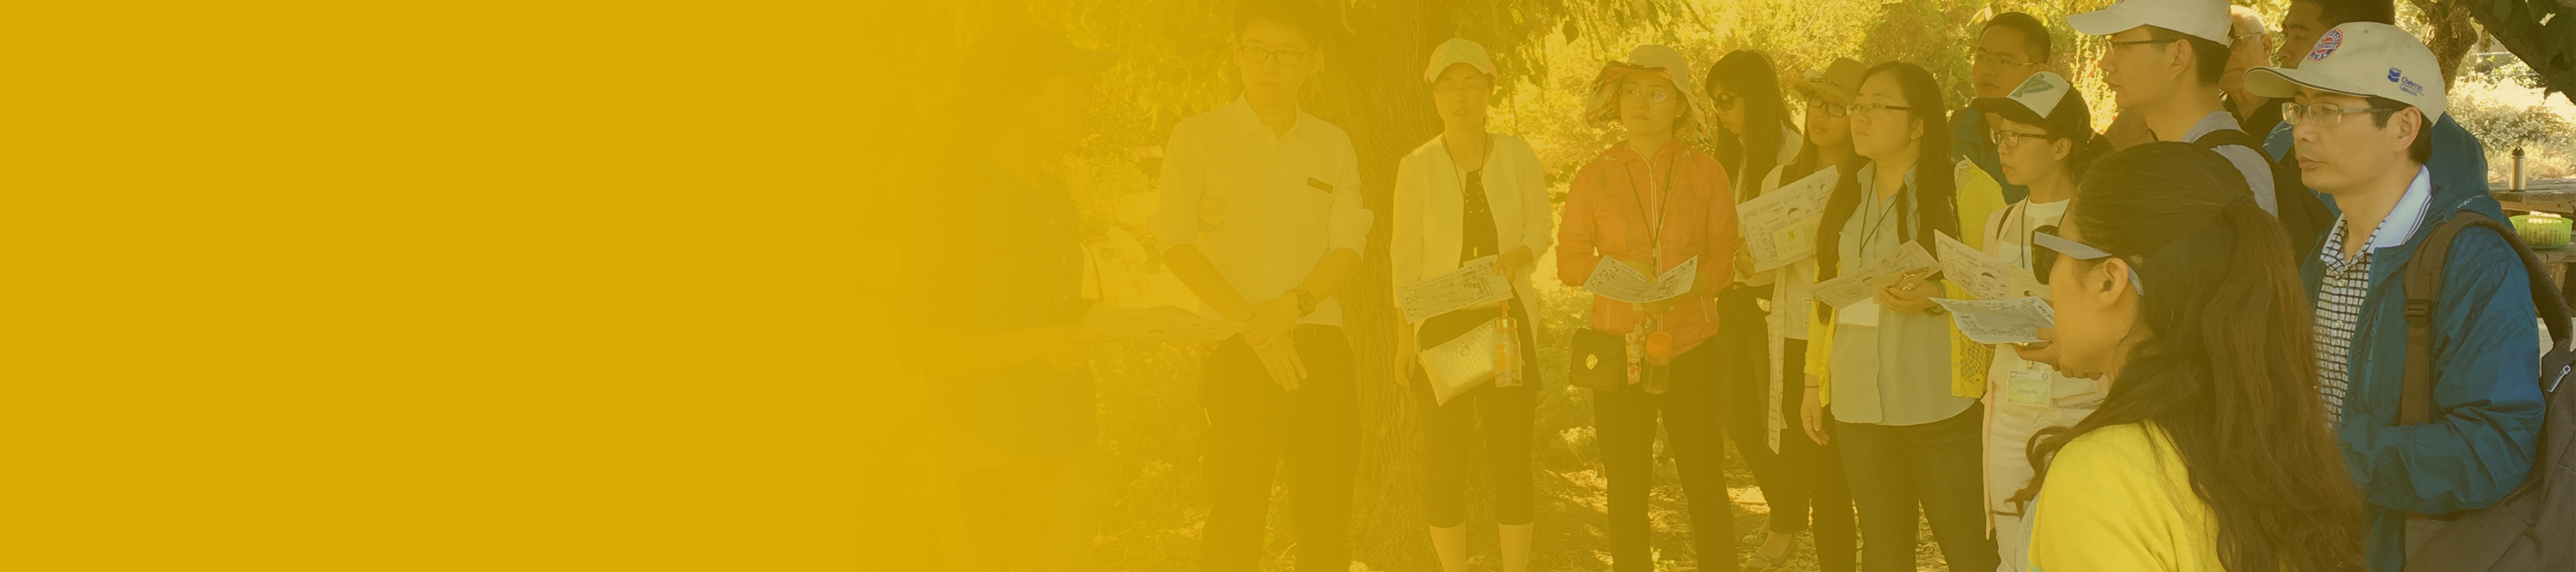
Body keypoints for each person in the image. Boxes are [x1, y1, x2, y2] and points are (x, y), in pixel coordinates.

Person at [2245, 23, 2547, 572]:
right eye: (2299, 108)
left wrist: (2324, 456)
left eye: (2329, 111)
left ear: (2404, 127)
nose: (2301, 131)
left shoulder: (2472, 261)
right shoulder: (2323, 255)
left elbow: (2495, 449)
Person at [2011, 142, 2367, 572]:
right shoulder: (2274, 440)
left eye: (2052, 253)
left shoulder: (2100, 473)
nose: (2049, 278)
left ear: (2109, 281)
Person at [1149, 2, 1372, 570]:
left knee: (1326, 520)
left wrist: (1292, 308)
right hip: (1236, 352)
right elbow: (1175, 243)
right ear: (1237, 54)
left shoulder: (1333, 144)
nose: (1270, 65)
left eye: (1287, 54)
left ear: (1313, 61)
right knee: (1234, 517)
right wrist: (1257, 327)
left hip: (1319, 348)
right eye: (1257, 50)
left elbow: (1350, 245)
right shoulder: (1198, 137)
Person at [894, 25, 1117, 571]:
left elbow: (1048, 311)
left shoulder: (1053, 190)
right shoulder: (949, 193)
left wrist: (1149, 323)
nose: (1086, 101)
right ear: (1024, 98)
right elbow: (918, 346)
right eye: (1074, 87)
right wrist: (1036, 344)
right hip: (987, 448)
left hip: (1069, 442)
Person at [1795, 61, 2005, 572]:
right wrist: (1812, 385)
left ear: (1918, 123)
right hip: (1858, 403)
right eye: (1858, 106)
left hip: (1941, 403)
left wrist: (1939, 294)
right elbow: (1825, 298)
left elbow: (2002, 290)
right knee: (1884, 547)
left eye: (1878, 106)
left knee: (1969, 550)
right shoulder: (1845, 190)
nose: (1861, 116)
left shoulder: (1964, 188)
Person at [1558, 44, 1741, 572]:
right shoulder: (1593, 175)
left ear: (1681, 105)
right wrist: (1615, 272)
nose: (1641, 103)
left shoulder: (1707, 172)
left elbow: (1725, 255)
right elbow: (1569, 260)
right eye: (1632, 91)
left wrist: (1693, 285)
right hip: (1618, 353)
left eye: (1657, 93)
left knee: (1704, 481)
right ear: (1617, 100)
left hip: (1693, 348)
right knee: (1625, 486)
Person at [1389, 38, 1546, 572]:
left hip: (1506, 320)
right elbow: (1404, 261)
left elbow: (1540, 227)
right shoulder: (1416, 166)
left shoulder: (1518, 155)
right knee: (1445, 459)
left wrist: (1517, 257)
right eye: (1448, 86)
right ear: (1434, 94)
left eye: (1471, 85)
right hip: (1441, 326)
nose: (1460, 97)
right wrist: (1405, 338)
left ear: (1489, 90)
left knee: (1511, 457)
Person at [1962, 70, 2102, 572]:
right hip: (2009, 408)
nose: (2005, 146)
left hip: (2080, 405)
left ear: (2062, 146)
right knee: (2012, 549)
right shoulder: (1999, 221)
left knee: (2076, 547)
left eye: (2019, 136)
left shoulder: (2099, 218)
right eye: (2001, 134)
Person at [1735, 57, 1871, 572]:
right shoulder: (1779, 179)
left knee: (1867, 477)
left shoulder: (1871, 181)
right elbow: (1765, 274)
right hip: (1797, 338)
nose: (1821, 114)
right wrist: (1747, 265)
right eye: (1816, 101)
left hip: (1855, 340)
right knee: (1823, 478)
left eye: (1837, 106)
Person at [1700, 49, 1812, 571]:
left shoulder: (1796, 153)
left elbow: (1798, 240)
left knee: (1776, 418)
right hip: (1734, 299)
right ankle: (1784, 508)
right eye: (1714, 103)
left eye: (1728, 100)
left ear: (1758, 96)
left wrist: (1753, 258)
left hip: (1777, 304)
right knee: (1738, 415)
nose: (1721, 112)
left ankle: (1787, 521)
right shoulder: (1733, 153)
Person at [2067, 0, 2280, 215]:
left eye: (2120, 45)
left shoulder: (2224, 172)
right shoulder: (2188, 157)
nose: (2105, 63)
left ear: (2178, 57)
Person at [2262, 0, 2396, 161]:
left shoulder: (2418, 151)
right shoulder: (2280, 138)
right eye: (2286, 35)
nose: (2282, 51)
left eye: (2299, 36)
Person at [1956, 11, 2053, 205]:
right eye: (1982, 57)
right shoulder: (1957, 126)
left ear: (2037, 73)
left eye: (2004, 61)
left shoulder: (2050, 142)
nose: (1988, 70)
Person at [2220, 5, 2284, 139]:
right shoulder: (2212, 114)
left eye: (2235, 42)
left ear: (2266, 47)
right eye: (2216, 48)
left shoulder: (2296, 106)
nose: (2224, 57)